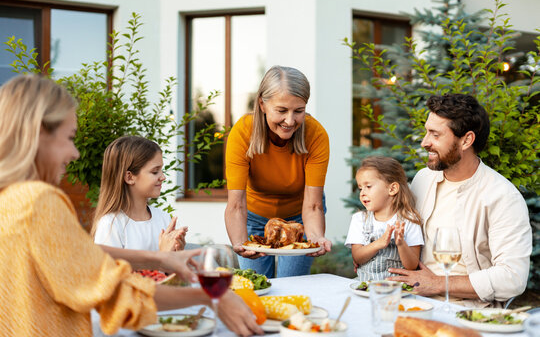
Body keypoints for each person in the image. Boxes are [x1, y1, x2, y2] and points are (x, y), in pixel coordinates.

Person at [0, 74, 263, 337]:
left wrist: (159, 257)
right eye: (69, 138)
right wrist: (208, 296)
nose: (75, 153)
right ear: (39, 134)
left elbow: (81, 253)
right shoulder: (39, 202)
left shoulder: (10, 199)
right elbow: (115, 293)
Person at [388, 93, 532, 307]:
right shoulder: (423, 179)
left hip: (468, 310)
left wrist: (439, 284)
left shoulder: (503, 197)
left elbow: (513, 278)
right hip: (413, 300)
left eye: (435, 135)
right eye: (426, 132)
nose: (424, 142)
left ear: (466, 140)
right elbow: (405, 235)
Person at [225, 65, 331, 278]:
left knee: (292, 284)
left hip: (299, 219)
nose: (290, 121)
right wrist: (239, 242)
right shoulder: (243, 132)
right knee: (254, 284)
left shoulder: (316, 135)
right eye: (282, 111)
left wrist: (316, 237)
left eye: (298, 111)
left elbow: (313, 205)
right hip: (253, 217)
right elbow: (236, 204)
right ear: (262, 104)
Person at [92, 136, 187, 252]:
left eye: (161, 170)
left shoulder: (163, 218)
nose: (163, 177)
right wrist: (163, 257)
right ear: (129, 177)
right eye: (155, 172)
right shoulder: (111, 225)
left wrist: (178, 254)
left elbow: (171, 269)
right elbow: (113, 270)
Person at [345, 156, 424, 281]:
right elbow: (357, 257)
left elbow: (412, 266)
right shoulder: (359, 219)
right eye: (360, 188)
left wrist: (401, 244)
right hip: (365, 286)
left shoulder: (409, 220)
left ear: (392, 189)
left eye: (368, 186)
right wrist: (379, 243)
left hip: (397, 289)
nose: (362, 193)